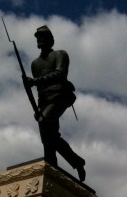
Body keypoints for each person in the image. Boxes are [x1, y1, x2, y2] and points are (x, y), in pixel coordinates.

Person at [27, 25, 86, 182]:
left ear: (51, 40)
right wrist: (38, 108)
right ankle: (66, 163)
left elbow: (60, 74)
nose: (40, 39)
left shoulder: (60, 54)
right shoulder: (35, 64)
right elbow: (40, 90)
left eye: (43, 36)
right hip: (44, 100)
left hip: (60, 95)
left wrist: (35, 81)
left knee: (45, 122)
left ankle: (56, 163)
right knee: (49, 136)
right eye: (38, 37)